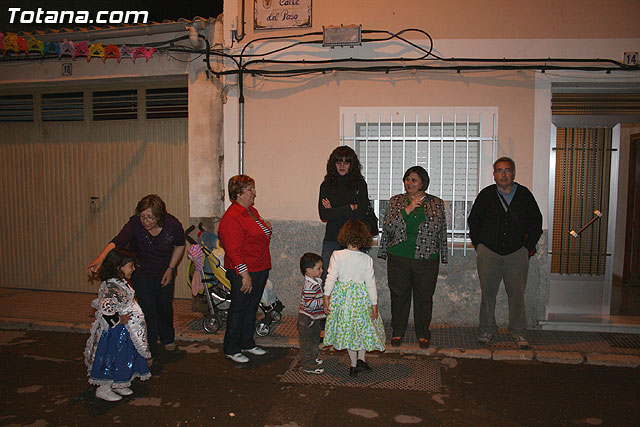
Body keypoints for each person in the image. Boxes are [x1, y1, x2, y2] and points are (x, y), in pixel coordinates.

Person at [87, 195, 186, 357]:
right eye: (142, 216)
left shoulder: (172, 225)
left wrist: (170, 268)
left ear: (159, 216)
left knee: (165, 306)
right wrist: (101, 257)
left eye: (150, 217)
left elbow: (180, 245)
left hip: (165, 270)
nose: (146, 221)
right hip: (141, 272)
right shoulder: (135, 224)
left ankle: (167, 339)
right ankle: (149, 348)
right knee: (148, 309)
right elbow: (117, 241)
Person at [467, 157, 542, 349]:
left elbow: (536, 222)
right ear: (494, 175)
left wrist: (527, 247)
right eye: (499, 170)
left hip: (517, 253)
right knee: (488, 294)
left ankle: (518, 332)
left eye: (507, 170)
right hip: (489, 253)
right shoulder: (486, 195)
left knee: (516, 294)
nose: (503, 174)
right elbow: (474, 221)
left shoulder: (524, 195)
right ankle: (487, 330)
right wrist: (479, 245)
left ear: (513, 173)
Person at [378, 166, 448, 349]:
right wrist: (407, 209)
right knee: (399, 296)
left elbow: (441, 230)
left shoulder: (436, 203)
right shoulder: (396, 201)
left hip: (426, 259)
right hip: (398, 256)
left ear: (423, 182)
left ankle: (423, 333)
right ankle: (398, 331)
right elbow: (388, 226)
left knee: (424, 297)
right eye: (407, 179)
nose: (409, 183)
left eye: (414, 180)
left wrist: (443, 253)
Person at [84, 249, 151, 401]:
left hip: (125, 332)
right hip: (114, 333)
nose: (133, 269)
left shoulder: (120, 282)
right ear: (119, 267)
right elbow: (106, 308)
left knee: (123, 357)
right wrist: (118, 319)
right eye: (130, 266)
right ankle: (104, 388)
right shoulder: (111, 287)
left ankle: (119, 382)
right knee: (111, 357)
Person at [218, 175, 272, 364]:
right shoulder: (232, 217)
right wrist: (245, 276)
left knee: (251, 308)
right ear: (238, 193)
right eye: (250, 189)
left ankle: (247, 342)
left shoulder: (251, 211)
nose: (254, 193)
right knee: (239, 309)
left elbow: (260, 234)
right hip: (244, 271)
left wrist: (267, 228)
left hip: (260, 266)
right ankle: (232, 348)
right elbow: (234, 251)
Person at [323, 220, 386, 378]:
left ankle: (354, 364)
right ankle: (361, 360)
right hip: (361, 300)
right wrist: (374, 304)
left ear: (344, 236)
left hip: (343, 300)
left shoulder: (337, 255)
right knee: (363, 329)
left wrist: (326, 296)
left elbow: (331, 277)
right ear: (364, 237)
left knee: (349, 332)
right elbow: (371, 283)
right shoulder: (366, 259)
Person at [318, 146, 372, 284]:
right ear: (333, 164)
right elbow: (324, 214)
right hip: (332, 238)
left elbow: (361, 213)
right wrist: (350, 207)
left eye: (346, 162)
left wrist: (334, 211)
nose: (342, 166)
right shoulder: (326, 185)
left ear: (352, 164)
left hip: (355, 239)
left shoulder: (359, 184)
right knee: (328, 280)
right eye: (338, 162)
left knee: (356, 281)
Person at [297, 252, 326, 375]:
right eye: (318, 268)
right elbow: (311, 304)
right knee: (308, 343)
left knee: (314, 339)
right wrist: (324, 301)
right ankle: (308, 365)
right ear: (308, 270)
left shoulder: (314, 281)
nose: (321, 271)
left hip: (313, 318)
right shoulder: (310, 285)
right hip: (307, 319)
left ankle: (312, 358)